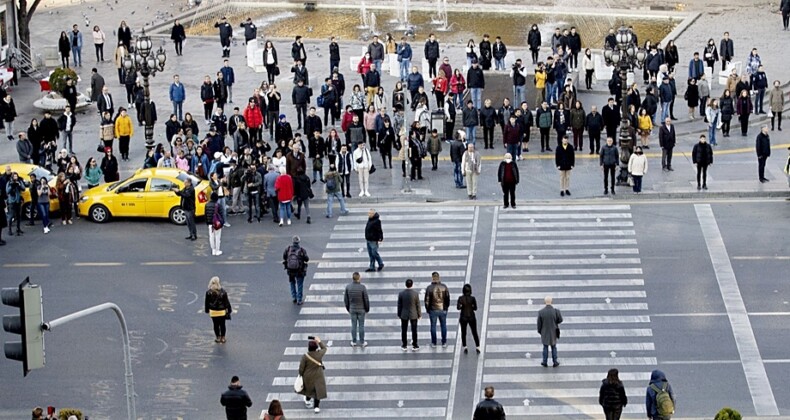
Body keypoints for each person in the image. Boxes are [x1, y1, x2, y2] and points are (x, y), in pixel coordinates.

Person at [298, 336, 327, 413]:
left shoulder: (305, 356)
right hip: (318, 375)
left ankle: (307, 400)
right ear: (316, 348)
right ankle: (316, 407)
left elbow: (301, 368)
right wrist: (319, 341)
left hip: (308, 376)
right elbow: (324, 349)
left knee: (309, 389)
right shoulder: (319, 354)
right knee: (317, 390)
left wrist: (300, 374)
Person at [344, 272, 370, 348]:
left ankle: (354, 341)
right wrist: (367, 309)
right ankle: (362, 341)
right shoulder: (362, 287)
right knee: (361, 326)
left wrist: (348, 308)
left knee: (353, 325)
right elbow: (366, 299)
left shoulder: (348, 287)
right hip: (361, 309)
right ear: (358, 278)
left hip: (352, 309)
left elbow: (346, 299)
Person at [424, 272, 450, 348]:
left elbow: (427, 300)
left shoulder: (429, 288)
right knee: (443, 325)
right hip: (442, 309)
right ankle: (444, 342)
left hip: (433, 309)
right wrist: (446, 307)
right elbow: (447, 298)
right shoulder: (444, 287)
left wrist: (427, 309)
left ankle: (434, 343)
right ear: (439, 278)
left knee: (433, 326)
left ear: (432, 278)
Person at [537, 296, 563, 367]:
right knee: (553, 347)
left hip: (545, 332)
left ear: (545, 302)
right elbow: (560, 320)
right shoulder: (556, 311)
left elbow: (539, 324)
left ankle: (544, 361)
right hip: (553, 332)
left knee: (545, 347)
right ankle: (555, 361)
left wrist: (540, 331)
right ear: (551, 302)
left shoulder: (541, 312)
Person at [284, 235, 309, 305]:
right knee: (300, 285)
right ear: (299, 242)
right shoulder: (302, 250)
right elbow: (307, 259)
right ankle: (299, 300)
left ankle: (294, 297)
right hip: (299, 271)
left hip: (290, 270)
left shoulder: (288, 249)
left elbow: (284, 257)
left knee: (292, 283)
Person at [205, 277, 232, 343]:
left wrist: (207, 310)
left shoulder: (208, 292)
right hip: (221, 311)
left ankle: (218, 337)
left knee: (215, 325)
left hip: (213, 312)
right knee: (222, 325)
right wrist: (229, 310)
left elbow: (206, 302)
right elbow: (226, 302)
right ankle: (223, 337)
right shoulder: (223, 292)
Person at [397, 279, 421, 351]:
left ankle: (404, 345)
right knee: (414, 330)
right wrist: (419, 314)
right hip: (413, 314)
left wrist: (399, 314)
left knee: (404, 330)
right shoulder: (415, 294)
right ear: (412, 284)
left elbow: (399, 305)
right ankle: (415, 345)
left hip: (404, 314)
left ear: (406, 284)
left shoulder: (401, 294)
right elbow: (418, 305)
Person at [457, 283, 480, 354]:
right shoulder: (472, 298)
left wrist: (462, 306)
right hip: (471, 317)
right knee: (474, 332)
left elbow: (458, 308)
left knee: (464, 333)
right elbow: (475, 308)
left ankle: (465, 346)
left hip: (463, 317)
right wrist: (471, 307)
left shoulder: (460, 298)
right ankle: (477, 346)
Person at [204, 192, 224, 256]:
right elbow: (221, 215)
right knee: (217, 238)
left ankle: (213, 250)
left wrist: (207, 223)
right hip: (217, 224)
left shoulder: (207, 205)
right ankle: (217, 250)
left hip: (210, 224)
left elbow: (206, 215)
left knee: (211, 237)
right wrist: (222, 224)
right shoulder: (218, 205)